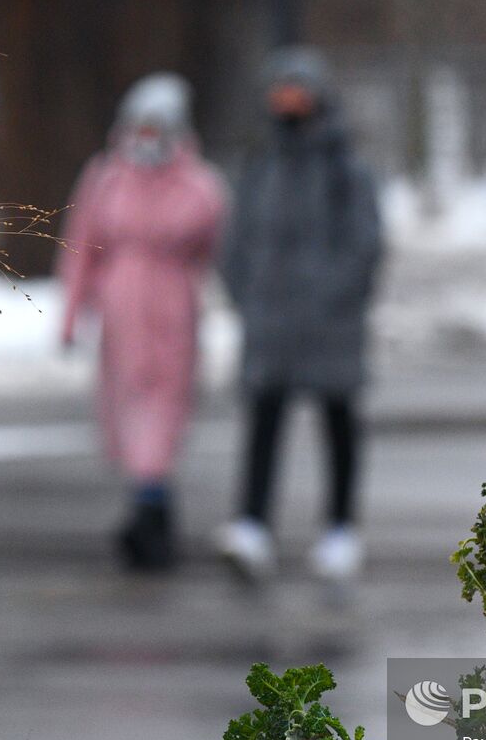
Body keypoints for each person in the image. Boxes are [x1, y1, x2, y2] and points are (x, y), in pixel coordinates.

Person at [217, 46, 382, 584]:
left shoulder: (346, 169)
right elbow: (236, 239)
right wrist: (245, 293)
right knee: (263, 420)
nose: (287, 98)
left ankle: (340, 528)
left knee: (338, 422)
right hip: (269, 321)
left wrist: (333, 296)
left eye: (297, 87)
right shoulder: (260, 165)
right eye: (279, 87)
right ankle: (251, 523)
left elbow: (365, 245)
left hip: (330, 325)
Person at [56, 73, 226, 571]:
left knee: (167, 406)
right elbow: (81, 247)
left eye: (158, 128)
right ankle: (150, 507)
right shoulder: (105, 178)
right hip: (121, 312)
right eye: (141, 127)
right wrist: (71, 315)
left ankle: (149, 515)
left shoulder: (200, 185)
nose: (148, 138)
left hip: (173, 309)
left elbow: (214, 245)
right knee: (126, 408)